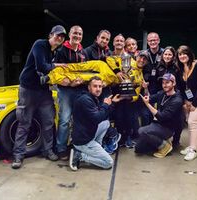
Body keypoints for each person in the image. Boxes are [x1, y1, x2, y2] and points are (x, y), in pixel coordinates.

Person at [11, 25, 67, 169]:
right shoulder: (40, 44)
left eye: (62, 37)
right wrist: (58, 65)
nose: (59, 38)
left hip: (44, 91)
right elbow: (42, 66)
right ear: (51, 35)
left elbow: (53, 72)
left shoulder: (56, 52)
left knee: (48, 122)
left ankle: (47, 150)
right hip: (28, 89)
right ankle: (18, 155)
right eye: (57, 35)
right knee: (24, 122)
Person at [69, 76, 122, 171]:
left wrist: (112, 103)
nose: (98, 89)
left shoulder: (91, 97)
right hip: (83, 141)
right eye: (95, 86)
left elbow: (103, 116)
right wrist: (105, 105)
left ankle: (96, 146)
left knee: (105, 123)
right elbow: (97, 118)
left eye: (100, 86)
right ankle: (80, 155)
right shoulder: (86, 100)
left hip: (87, 133)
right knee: (108, 163)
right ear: (89, 87)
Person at [54, 25, 87, 160]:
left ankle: (75, 145)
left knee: (78, 120)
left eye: (79, 34)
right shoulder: (61, 50)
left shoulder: (83, 52)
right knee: (64, 120)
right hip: (66, 91)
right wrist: (69, 82)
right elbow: (57, 72)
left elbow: (85, 70)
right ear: (70, 34)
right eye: (75, 33)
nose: (77, 36)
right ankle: (61, 148)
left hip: (80, 90)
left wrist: (81, 81)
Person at [135, 73, 183, 158]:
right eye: (163, 83)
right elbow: (150, 98)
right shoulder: (163, 93)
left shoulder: (177, 100)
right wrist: (146, 92)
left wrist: (147, 105)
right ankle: (161, 140)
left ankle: (164, 146)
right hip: (157, 124)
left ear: (174, 83)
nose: (165, 85)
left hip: (167, 128)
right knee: (138, 149)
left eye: (167, 82)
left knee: (141, 131)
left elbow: (162, 117)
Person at [177, 45, 197, 161]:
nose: (182, 56)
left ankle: (193, 150)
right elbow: (182, 88)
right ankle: (191, 146)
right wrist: (186, 101)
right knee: (189, 122)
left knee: (192, 122)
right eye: (180, 54)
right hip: (189, 101)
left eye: (184, 53)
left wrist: (194, 104)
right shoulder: (180, 68)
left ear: (189, 54)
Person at [113, 51, 147, 148]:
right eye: (141, 57)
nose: (142, 60)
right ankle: (117, 138)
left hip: (127, 100)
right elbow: (111, 59)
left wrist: (131, 97)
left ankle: (126, 138)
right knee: (118, 118)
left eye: (145, 59)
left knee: (129, 118)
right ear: (136, 56)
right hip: (117, 94)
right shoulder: (128, 61)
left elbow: (136, 92)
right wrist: (117, 71)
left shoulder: (141, 76)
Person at [156, 46, 184, 147]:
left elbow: (182, 83)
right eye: (165, 54)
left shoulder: (177, 68)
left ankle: (176, 140)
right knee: (163, 116)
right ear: (162, 55)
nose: (167, 56)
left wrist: (184, 98)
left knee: (179, 118)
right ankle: (163, 138)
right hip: (163, 95)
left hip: (175, 95)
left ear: (173, 56)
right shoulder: (159, 66)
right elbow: (156, 81)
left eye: (170, 54)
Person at [141, 32, 164, 126]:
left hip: (161, 87)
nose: (153, 42)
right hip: (147, 87)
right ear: (147, 42)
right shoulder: (143, 54)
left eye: (154, 40)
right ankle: (145, 133)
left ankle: (160, 135)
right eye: (150, 40)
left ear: (158, 40)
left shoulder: (165, 53)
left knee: (161, 112)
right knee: (146, 113)